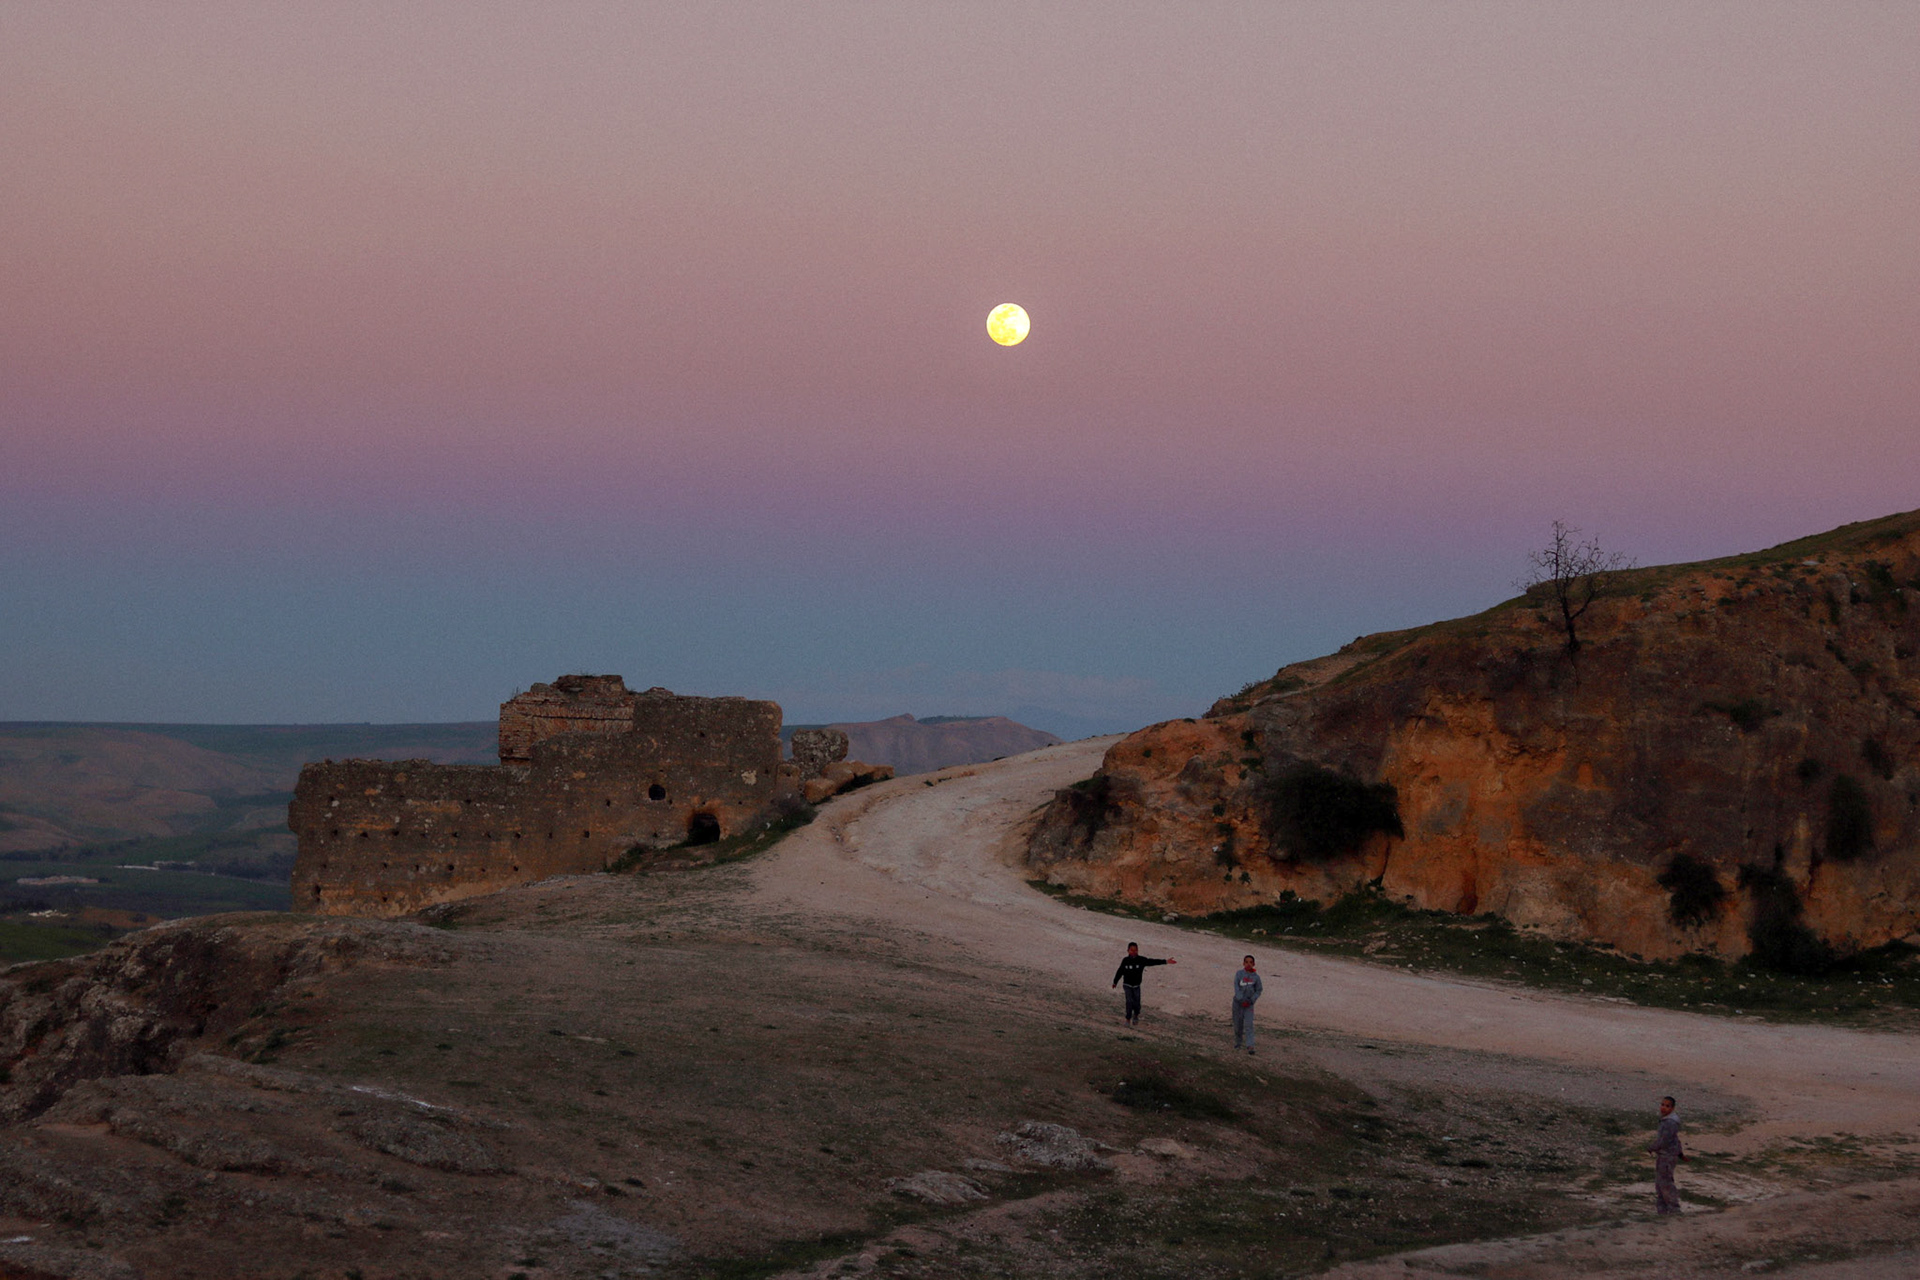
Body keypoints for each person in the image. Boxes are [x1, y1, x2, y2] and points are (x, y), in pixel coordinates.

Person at [1111, 943, 1176, 1025]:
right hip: (1127, 985)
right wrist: (1115, 982)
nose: (1134, 952)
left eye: (1136, 950)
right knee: (1129, 1001)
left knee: (1137, 1003)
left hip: (1137, 986)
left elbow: (1152, 962)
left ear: (1138, 950)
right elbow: (1120, 971)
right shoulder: (1125, 960)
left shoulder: (1141, 960)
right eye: (1132, 950)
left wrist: (1165, 961)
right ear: (1128, 951)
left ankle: (1136, 1015)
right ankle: (1128, 1019)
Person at [1648, 1095, 1687, 1214]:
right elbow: (1675, 1140)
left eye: (1667, 1106)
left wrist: (1652, 1147)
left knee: (1665, 1183)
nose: (1664, 1108)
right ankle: (1662, 1210)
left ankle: (1674, 1209)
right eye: (1662, 1105)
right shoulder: (1666, 1121)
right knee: (1660, 1183)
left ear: (1672, 1108)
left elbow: (1665, 1140)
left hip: (1667, 1156)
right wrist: (1680, 1153)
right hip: (1665, 1155)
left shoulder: (1670, 1123)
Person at [1232, 954, 1263, 1053]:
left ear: (1254, 964)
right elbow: (1236, 987)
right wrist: (1241, 999)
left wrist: (1251, 1000)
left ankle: (1250, 1045)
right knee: (1238, 1025)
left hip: (1249, 1005)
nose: (1248, 964)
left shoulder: (1256, 978)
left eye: (1251, 962)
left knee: (1249, 1025)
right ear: (1243, 963)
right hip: (1238, 1003)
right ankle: (1238, 1042)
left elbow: (1258, 990)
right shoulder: (1239, 974)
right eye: (1246, 962)